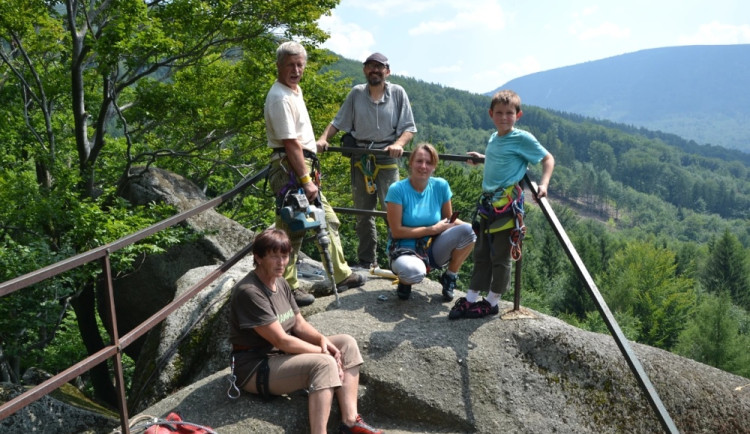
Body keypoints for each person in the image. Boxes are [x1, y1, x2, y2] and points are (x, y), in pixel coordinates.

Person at [229, 229, 383, 434]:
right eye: (274, 256)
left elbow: (299, 324)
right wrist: (324, 352)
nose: (281, 262)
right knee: (324, 363)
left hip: (281, 356)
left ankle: (350, 422)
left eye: (284, 256)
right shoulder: (249, 291)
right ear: (258, 257)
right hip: (254, 366)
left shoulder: (281, 282)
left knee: (346, 343)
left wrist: (322, 340)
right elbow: (282, 340)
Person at [265, 41, 364, 307]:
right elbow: (290, 143)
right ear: (279, 66)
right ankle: (286, 288)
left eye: (300, 65)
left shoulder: (293, 91)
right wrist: (306, 180)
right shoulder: (279, 97)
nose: (296, 70)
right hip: (292, 169)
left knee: (327, 220)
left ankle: (340, 274)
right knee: (291, 230)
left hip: (301, 167)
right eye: (290, 65)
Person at [449, 90, 555, 319]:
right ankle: (470, 298)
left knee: (500, 256)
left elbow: (548, 158)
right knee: (482, 253)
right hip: (489, 206)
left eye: (509, 113)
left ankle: (492, 301)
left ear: (519, 114)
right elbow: (501, 160)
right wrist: (482, 159)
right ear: (491, 114)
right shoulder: (494, 137)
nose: (504, 117)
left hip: (507, 208)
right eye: (499, 113)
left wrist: (543, 185)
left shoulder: (522, 138)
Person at [317, 52, 417, 270]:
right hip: (360, 156)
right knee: (363, 212)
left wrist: (398, 144)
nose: (374, 70)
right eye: (370, 66)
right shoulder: (356, 93)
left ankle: (397, 258)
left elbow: (409, 127)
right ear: (364, 70)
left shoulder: (398, 93)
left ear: (387, 71)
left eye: (379, 67)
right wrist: (324, 138)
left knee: (392, 211)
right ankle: (366, 260)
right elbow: (338, 121)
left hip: (387, 157)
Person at [385, 143, 476, 301]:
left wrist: (476, 230)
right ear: (411, 162)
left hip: (432, 248)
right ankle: (405, 282)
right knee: (414, 272)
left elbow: (449, 220)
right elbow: (397, 231)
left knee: (470, 231)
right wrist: (432, 229)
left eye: (429, 162)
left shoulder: (440, 186)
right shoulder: (397, 189)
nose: (423, 166)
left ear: (434, 166)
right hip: (404, 249)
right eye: (419, 161)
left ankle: (450, 276)